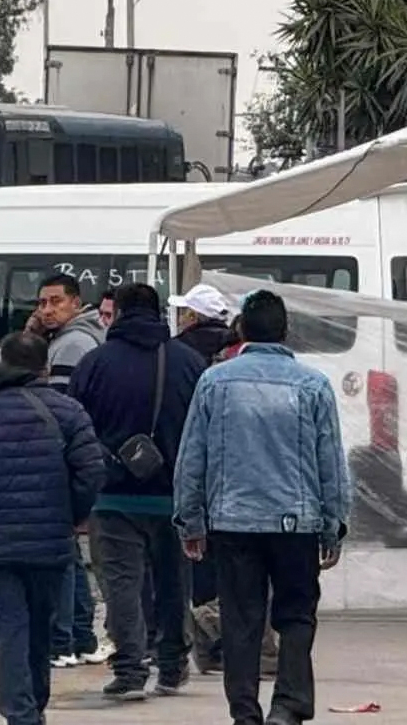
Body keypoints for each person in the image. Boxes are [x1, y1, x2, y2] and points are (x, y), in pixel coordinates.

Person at [174, 290, 350, 725]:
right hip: (297, 523)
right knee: (295, 614)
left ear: (242, 331)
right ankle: (288, 706)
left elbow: (191, 458)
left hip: (233, 523)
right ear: (285, 332)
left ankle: (245, 712)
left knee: (241, 618)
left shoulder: (215, 382)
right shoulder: (313, 385)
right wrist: (334, 525)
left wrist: (190, 521)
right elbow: (331, 462)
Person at [0, 331, 107, 725]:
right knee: (40, 628)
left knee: (11, 630)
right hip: (51, 542)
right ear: (45, 368)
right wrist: (72, 514)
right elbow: (92, 470)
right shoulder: (69, 412)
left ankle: (20, 713)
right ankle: (33, 704)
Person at [67, 282, 210, 700]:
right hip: (174, 498)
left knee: (122, 585)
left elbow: (76, 431)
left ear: (120, 312)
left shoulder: (94, 363)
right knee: (173, 582)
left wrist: (81, 490)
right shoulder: (189, 363)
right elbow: (203, 432)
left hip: (111, 498)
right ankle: (172, 665)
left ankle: (130, 669)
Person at [164, 283, 242, 674]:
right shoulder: (236, 352)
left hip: (197, 471)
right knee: (236, 564)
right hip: (237, 476)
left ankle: (208, 645)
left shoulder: (180, 355)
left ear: (192, 316)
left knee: (199, 562)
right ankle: (238, 642)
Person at [31, 273, 107, 665]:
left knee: (63, 556)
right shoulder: (75, 338)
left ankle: (68, 636)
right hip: (77, 459)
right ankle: (80, 634)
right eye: (42, 303)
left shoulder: (72, 344)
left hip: (64, 461)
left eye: (55, 302)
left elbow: (55, 410)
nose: (46, 310)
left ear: (76, 303)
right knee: (71, 555)